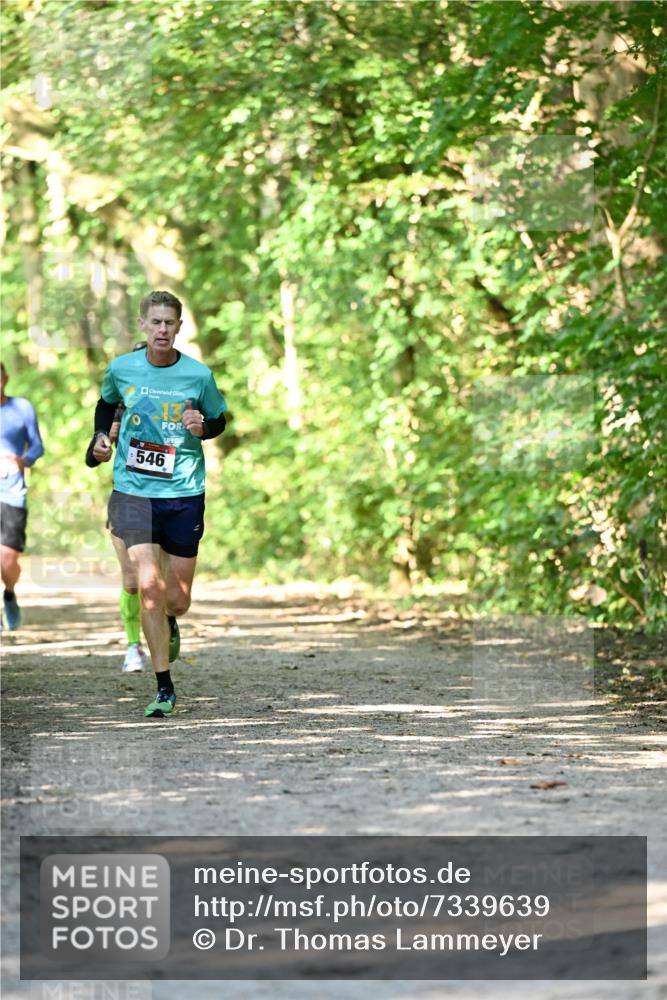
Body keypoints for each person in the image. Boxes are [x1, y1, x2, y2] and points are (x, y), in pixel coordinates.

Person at [85, 290, 227, 717]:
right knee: (147, 584)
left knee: (177, 599)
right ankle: (164, 686)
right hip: (133, 489)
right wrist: (99, 439)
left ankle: (170, 621)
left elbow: (219, 418)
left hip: (183, 491)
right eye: (155, 322)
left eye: (170, 323)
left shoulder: (198, 376)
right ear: (143, 325)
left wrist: (204, 428)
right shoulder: (121, 368)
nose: (162, 329)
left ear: (179, 328)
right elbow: (106, 404)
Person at [0, 361, 44, 630]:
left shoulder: (22, 408)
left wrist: (22, 461)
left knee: (7, 560)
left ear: (5, 378)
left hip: (13, 493)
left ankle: (9, 593)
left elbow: (37, 446)